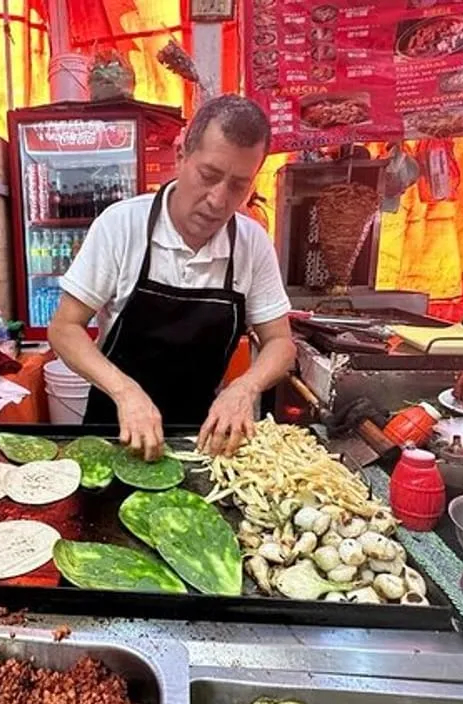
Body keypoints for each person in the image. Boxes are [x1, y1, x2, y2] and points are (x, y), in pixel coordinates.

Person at [48, 95, 296, 460]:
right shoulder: (121, 225)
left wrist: (245, 387)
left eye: (238, 185)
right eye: (209, 176)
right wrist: (124, 391)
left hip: (201, 437)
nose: (218, 200)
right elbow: (64, 328)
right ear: (181, 155)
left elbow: (280, 342)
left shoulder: (252, 243)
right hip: (113, 429)